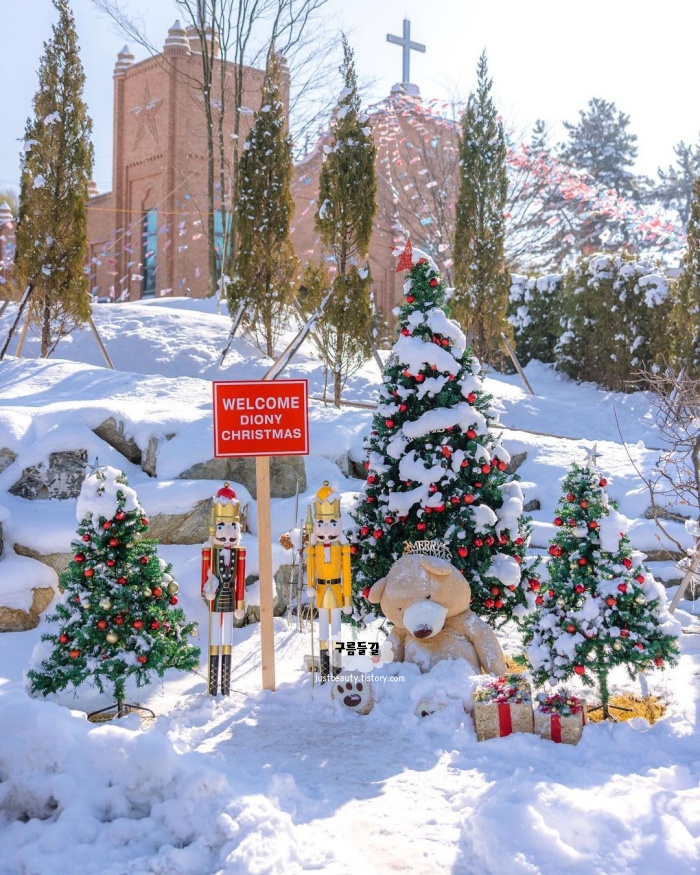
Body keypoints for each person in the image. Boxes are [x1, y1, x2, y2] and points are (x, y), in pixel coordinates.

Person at [201, 482, 245, 695]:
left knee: (227, 639)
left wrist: (240, 603)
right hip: (215, 597)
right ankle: (212, 686)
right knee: (214, 639)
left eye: (232, 527)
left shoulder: (239, 553)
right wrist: (207, 590)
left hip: (230, 597)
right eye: (221, 527)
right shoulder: (209, 551)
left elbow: (241, 579)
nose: (228, 533)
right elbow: (205, 576)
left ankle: (225, 686)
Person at [305, 481, 352, 681]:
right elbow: (311, 567)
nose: (326, 529)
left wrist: (348, 599)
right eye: (321, 524)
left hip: (337, 589)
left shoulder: (342, 548)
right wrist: (310, 585)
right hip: (322, 590)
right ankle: (325, 672)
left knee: (337, 630)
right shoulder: (314, 548)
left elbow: (347, 574)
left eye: (332, 523)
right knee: (323, 629)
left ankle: (337, 669)